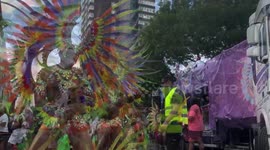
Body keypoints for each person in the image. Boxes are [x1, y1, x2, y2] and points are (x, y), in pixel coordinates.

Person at [29, 47, 93, 150]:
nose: (75, 58)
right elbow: (39, 102)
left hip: (76, 119)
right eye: (71, 54)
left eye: (76, 55)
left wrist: (79, 103)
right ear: (61, 54)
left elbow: (89, 98)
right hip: (53, 119)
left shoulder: (79, 74)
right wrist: (58, 111)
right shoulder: (46, 73)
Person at [158, 74, 188, 149]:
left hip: (175, 127)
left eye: (163, 83)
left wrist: (165, 123)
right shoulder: (169, 95)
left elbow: (175, 110)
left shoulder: (176, 92)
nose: (163, 86)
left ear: (169, 82)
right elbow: (167, 112)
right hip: (171, 128)